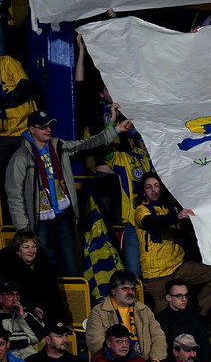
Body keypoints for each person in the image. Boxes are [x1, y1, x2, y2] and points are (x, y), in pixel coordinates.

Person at [5, 109, 131, 276]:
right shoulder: (21, 157)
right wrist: (23, 229)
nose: (48, 129)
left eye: (49, 126)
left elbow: (87, 143)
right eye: (43, 127)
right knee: (38, 268)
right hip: (38, 221)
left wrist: (115, 130)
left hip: (63, 217)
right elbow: (14, 195)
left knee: (71, 266)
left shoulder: (58, 146)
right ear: (31, 129)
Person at [134, 172, 211, 315]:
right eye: (149, 187)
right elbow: (151, 223)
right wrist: (177, 216)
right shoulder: (141, 210)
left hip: (178, 268)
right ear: (144, 192)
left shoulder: (170, 207)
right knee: (164, 321)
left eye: (156, 186)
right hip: (157, 276)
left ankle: (197, 315)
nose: (153, 190)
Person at [85, 270, 168, 362]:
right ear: (113, 290)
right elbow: (95, 342)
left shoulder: (144, 310)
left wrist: (155, 359)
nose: (130, 292)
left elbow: (158, 336)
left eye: (132, 289)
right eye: (125, 288)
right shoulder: (98, 312)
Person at [0, 231, 67, 323]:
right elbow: (9, 301)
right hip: (17, 317)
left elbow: (55, 297)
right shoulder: (6, 268)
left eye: (34, 246)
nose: (31, 251)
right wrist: (31, 309)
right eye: (26, 247)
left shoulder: (45, 266)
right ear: (17, 250)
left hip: (44, 314)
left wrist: (61, 321)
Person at [156, 281, 211, 362]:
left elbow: (205, 350)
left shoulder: (196, 319)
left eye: (186, 295)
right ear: (168, 297)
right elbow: (162, 351)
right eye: (179, 296)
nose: (184, 299)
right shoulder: (159, 321)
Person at [0, 281, 44, 358]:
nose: (15, 298)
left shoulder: (26, 314)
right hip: (6, 354)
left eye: (17, 295)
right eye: (10, 295)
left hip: (27, 352)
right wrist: (25, 340)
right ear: (0, 298)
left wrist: (21, 316)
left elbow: (38, 336)